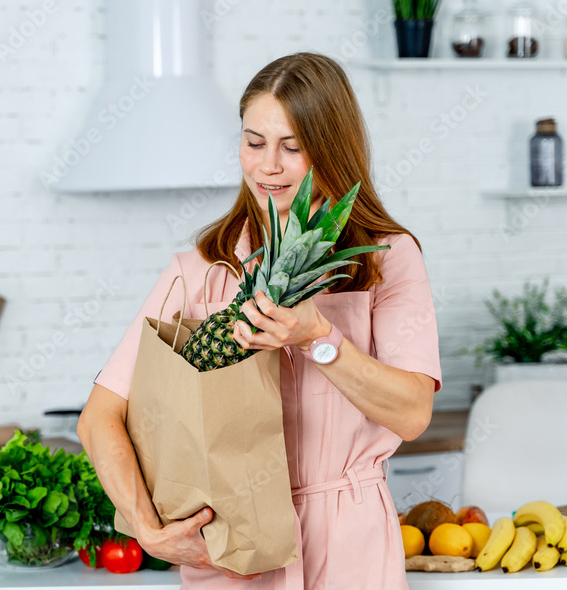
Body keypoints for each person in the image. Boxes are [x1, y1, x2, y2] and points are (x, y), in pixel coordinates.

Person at [77, 52, 442, 589]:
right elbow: (99, 417)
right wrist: (149, 532)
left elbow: (412, 414)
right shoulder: (202, 269)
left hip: (349, 545)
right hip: (231, 549)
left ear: (331, 150)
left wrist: (319, 337)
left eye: (292, 147)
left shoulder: (386, 259)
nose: (268, 165)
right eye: (254, 142)